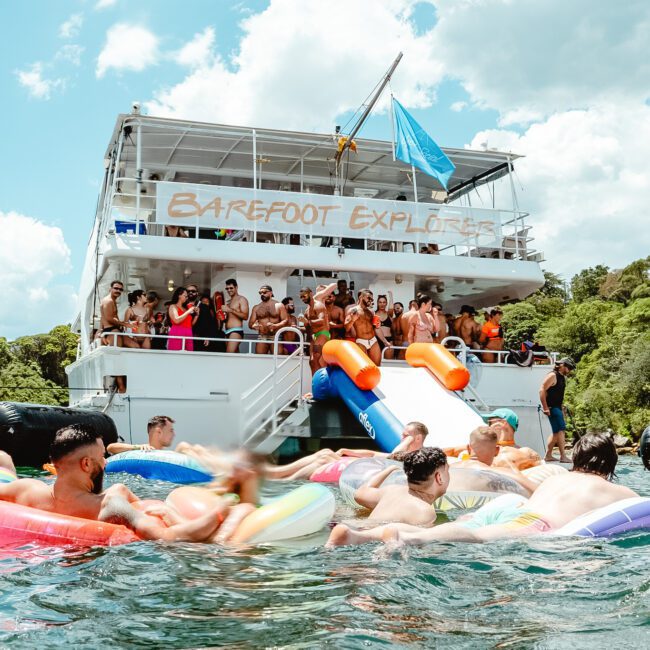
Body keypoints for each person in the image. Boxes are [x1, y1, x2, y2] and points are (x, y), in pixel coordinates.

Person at [327, 433, 639, 547]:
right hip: (534, 523)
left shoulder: (558, 477)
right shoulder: (613, 490)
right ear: (609, 464)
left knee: (464, 526)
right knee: (475, 538)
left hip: (512, 507)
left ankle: (361, 535)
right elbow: (641, 507)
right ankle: (404, 537)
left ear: (577, 459)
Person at [0, 426, 229, 542]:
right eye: (102, 456)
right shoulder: (110, 503)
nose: (106, 463)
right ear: (87, 464)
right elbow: (170, 538)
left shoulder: (25, 490)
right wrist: (222, 510)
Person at [353, 447, 449, 526]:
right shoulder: (424, 511)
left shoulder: (391, 490)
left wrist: (389, 469)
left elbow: (359, 493)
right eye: (447, 470)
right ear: (439, 477)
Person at [452, 426, 538, 494]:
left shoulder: (449, 468)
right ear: (497, 451)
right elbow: (533, 488)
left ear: (468, 448)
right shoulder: (493, 472)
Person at [540, 357, 576, 462]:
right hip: (552, 408)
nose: (569, 370)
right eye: (569, 367)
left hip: (557, 408)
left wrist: (561, 408)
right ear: (562, 365)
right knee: (560, 431)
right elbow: (542, 390)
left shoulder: (561, 377)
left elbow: (558, 394)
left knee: (556, 432)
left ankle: (548, 455)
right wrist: (545, 407)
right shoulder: (552, 375)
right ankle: (563, 456)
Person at [106, 415, 176, 455]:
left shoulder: (169, 455)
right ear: (159, 432)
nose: (174, 434)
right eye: (171, 431)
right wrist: (138, 447)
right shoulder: (140, 450)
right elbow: (110, 448)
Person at [345, 289, 382, 365]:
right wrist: (352, 320)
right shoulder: (353, 310)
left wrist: (378, 325)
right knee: (362, 365)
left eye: (372, 299)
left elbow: (375, 327)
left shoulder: (371, 312)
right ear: (361, 297)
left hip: (373, 340)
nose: (370, 300)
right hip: (361, 341)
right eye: (369, 298)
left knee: (377, 366)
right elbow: (346, 328)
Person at [249, 285, 289, 354]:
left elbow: (285, 320)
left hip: (276, 336)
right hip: (262, 337)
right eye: (260, 293)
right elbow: (250, 324)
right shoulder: (256, 308)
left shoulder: (279, 305)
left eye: (264, 292)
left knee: (278, 360)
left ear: (271, 293)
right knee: (260, 360)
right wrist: (254, 326)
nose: (262, 294)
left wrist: (275, 326)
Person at [299, 286, 330, 372]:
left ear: (310, 294)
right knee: (311, 362)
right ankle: (315, 383)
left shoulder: (318, 305)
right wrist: (300, 327)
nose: (302, 299)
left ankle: (320, 382)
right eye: (301, 297)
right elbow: (308, 328)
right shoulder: (307, 310)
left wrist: (307, 321)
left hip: (323, 334)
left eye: (304, 296)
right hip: (314, 336)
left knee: (315, 359)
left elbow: (322, 321)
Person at [188, 286, 220, 352]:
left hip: (199, 338)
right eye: (188, 291)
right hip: (183, 336)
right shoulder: (182, 306)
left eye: (193, 291)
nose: (190, 292)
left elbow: (211, 323)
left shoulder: (204, 307)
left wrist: (207, 336)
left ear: (197, 293)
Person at [167, 287, 199, 351]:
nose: (186, 298)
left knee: (189, 355)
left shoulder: (186, 308)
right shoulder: (173, 306)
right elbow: (176, 320)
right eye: (185, 296)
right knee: (176, 355)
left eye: (187, 297)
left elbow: (191, 324)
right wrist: (188, 311)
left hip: (188, 332)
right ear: (179, 295)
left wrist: (197, 315)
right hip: (177, 332)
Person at [223, 278, 250, 353]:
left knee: (229, 354)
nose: (229, 290)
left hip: (236, 331)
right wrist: (222, 317)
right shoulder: (228, 302)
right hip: (227, 331)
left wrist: (230, 310)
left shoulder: (241, 299)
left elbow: (245, 316)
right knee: (235, 355)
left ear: (236, 287)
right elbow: (227, 319)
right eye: (227, 288)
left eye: (231, 288)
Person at [375, 293, 394, 359]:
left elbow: (391, 308)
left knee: (388, 362)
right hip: (377, 340)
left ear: (386, 303)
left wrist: (391, 296)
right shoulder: (374, 314)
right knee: (377, 362)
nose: (382, 304)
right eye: (380, 302)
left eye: (384, 302)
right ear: (377, 303)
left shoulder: (389, 314)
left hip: (388, 340)